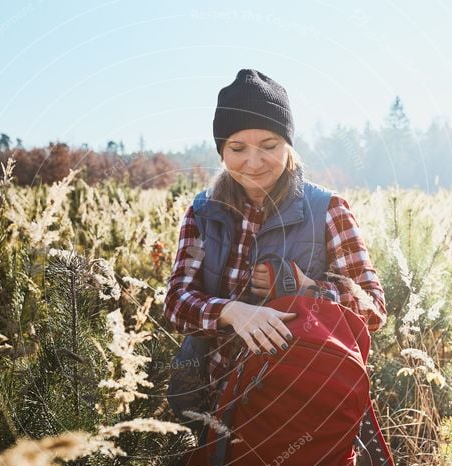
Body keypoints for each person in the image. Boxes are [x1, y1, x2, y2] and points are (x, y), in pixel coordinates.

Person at [163, 68, 387, 415]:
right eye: (237, 148)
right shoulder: (202, 212)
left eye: (269, 146)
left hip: (294, 404)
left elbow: (372, 308)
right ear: (222, 151)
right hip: (208, 400)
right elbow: (176, 303)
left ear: (288, 145)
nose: (254, 162)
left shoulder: (327, 210)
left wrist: (306, 288)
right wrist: (230, 311)